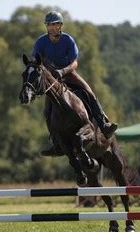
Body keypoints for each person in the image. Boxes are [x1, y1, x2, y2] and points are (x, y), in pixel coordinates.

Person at [31, 11, 118, 156]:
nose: (52, 27)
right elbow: (34, 59)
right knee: (47, 111)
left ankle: (104, 124)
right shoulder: (40, 41)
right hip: (52, 81)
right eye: (49, 25)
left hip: (69, 74)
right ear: (46, 26)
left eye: (55, 24)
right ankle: (56, 144)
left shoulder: (68, 40)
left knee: (89, 93)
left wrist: (63, 71)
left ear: (60, 25)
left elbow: (75, 63)